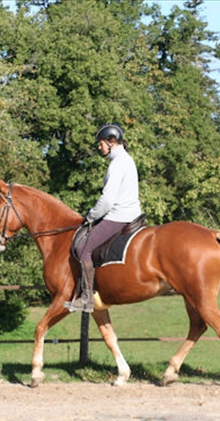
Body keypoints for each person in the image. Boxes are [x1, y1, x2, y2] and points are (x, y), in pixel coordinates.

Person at [64, 123, 142, 313]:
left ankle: (87, 298)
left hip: (119, 215)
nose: (99, 147)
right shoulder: (126, 159)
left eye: (101, 144)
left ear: (112, 141)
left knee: (83, 247)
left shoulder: (117, 164)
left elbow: (107, 200)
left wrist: (91, 216)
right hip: (131, 212)